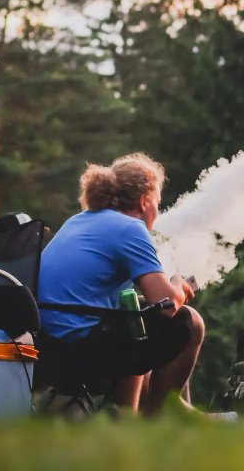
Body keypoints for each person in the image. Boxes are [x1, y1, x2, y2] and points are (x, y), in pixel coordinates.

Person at [37, 153, 204, 414]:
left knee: (134, 318)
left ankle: (128, 415)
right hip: (81, 350)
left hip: (46, 344)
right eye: (157, 202)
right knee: (190, 321)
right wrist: (176, 284)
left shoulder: (78, 220)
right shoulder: (130, 229)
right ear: (144, 200)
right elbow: (168, 306)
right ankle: (158, 418)